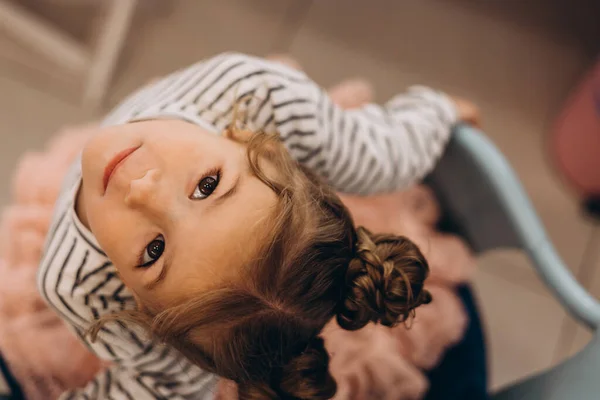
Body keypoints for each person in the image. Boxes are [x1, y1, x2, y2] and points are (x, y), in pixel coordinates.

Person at [38, 52, 477, 399]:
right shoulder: (256, 93)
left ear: (137, 305)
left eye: (154, 250)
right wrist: (438, 111)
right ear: (250, 143)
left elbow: (163, 384)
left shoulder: (77, 282)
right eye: (207, 186)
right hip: (242, 117)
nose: (142, 191)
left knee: (177, 381)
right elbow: (383, 155)